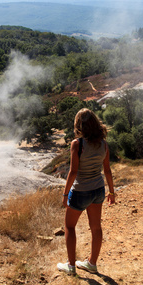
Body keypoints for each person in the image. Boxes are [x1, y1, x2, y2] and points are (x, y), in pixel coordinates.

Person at [57, 108, 115, 275]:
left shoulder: (77, 144)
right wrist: (111, 192)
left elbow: (73, 171)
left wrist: (65, 193)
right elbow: (107, 170)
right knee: (96, 227)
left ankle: (71, 266)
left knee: (69, 226)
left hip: (81, 191)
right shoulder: (104, 144)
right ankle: (92, 263)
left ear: (79, 125)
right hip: (98, 190)